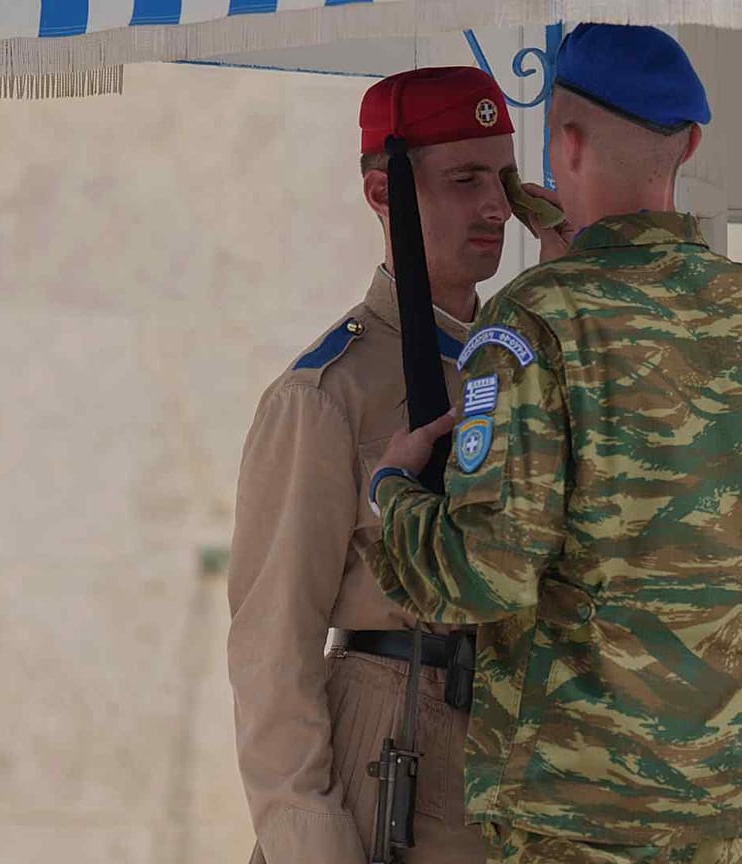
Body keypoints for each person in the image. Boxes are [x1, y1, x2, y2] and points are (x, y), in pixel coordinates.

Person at [364, 23, 742, 864]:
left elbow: (484, 574)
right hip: (735, 806)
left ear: (564, 144)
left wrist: (392, 492)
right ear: (688, 143)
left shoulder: (533, 324)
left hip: (584, 814)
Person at [226, 65, 517, 864]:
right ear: (384, 193)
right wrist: (312, 844)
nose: (496, 206)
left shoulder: (524, 366)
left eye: (505, 178)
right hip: (389, 752)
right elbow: (272, 652)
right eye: (464, 179)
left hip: (508, 772)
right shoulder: (327, 394)